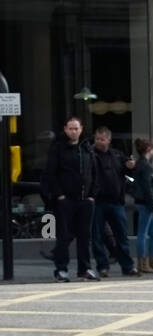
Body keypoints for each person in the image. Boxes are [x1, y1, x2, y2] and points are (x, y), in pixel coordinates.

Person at [41, 116, 98, 281]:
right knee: (64, 237)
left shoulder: (87, 148)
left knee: (84, 236)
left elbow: (94, 173)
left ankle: (84, 269)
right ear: (65, 130)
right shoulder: (58, 148)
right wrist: (60, 195)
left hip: (85, 200)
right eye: (70, 128)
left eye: (76, 128)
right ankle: (61, 270)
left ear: (81, 129)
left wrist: (92, 196)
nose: (74, 131)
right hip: (66, 200)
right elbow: (50, 173)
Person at [89, 127, 138, 277]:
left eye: (102, 139)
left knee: (121, 235)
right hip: (97, 201)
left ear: (109, 140)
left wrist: (130, 166)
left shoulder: (117, 155)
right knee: (97, 237)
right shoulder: (90, 155)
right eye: (97, 139)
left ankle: (127, 266)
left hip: (116, 202)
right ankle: (102, 267)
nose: (99, 142)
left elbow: (128, 171)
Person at [132, 138, 153, 273]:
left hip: (145, 202)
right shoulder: (146, 166)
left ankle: (151, 261)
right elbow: (149, 188)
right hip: (146, 203)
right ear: (149, 150)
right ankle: (143, 263)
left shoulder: (140, 164)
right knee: (143, 233)